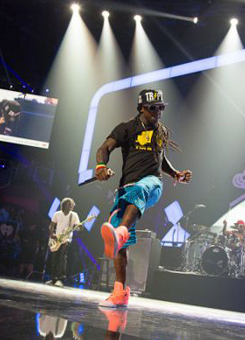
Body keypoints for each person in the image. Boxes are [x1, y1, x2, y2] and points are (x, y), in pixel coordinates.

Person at [95, 89, 192, 308]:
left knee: (134, 201)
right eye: (152, 108)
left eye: (161, 108)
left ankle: (121, 231)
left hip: (152, 184)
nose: (158, 112)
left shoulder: (160, 132)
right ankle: (119, 292)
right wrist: (101, 165)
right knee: (120, 244)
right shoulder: (126, 128)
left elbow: (161, 159)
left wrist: (175, 174)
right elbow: (105, 148)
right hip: (126, 189)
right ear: (141, 108)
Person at [48, 198, 80, 286]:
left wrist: (79, 227)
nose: (71, 206)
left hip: (66, 239)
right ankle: (53, 279)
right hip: (57, 239)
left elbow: (77, 226)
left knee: (63, 257)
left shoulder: (74, 215)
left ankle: (61, 279)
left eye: (72, 205)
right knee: (55, 258)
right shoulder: (57, 214)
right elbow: (52, 225)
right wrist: (51, 235)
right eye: (69, 205)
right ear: (64, 205)